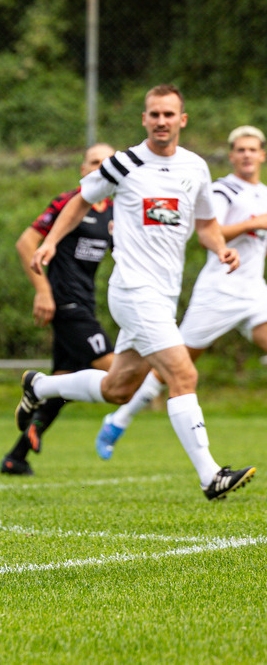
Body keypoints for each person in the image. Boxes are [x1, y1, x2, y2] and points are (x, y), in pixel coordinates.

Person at [21, 84, 255, 501]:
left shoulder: (196, 168)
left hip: (163, 295)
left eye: (169, 114)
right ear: (144, 119)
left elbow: (206, 225)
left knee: (118, 388)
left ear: (182, 120)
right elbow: (79, 200)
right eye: (154, 114)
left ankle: (40, 387)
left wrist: (221, 249)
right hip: (133, 289)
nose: (161, 121)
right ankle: (210, 475)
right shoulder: (124, 163)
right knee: (183, 374)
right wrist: (52, 241)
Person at [95, 125, 267, 457]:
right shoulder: (223, 191)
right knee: (173, 368)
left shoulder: (265, 193)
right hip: (217, 292)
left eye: (253, 149)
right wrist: (250, 223)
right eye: (240, 149)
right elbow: (207, 230)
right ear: (232, 156)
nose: (247, 155)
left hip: (254, 292)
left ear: (262, 154)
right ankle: (119, 419)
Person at [0, 143, 116, 475]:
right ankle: (116, 424)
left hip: (85, 303)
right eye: (94, 161)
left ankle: (15, 457)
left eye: (108, 162)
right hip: (65, 303)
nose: (100, 167)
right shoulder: (69, 202)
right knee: (118, 372)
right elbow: (26, 243)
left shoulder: (116, 210)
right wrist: (43, 291)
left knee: (64, 382)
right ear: (83, 169)